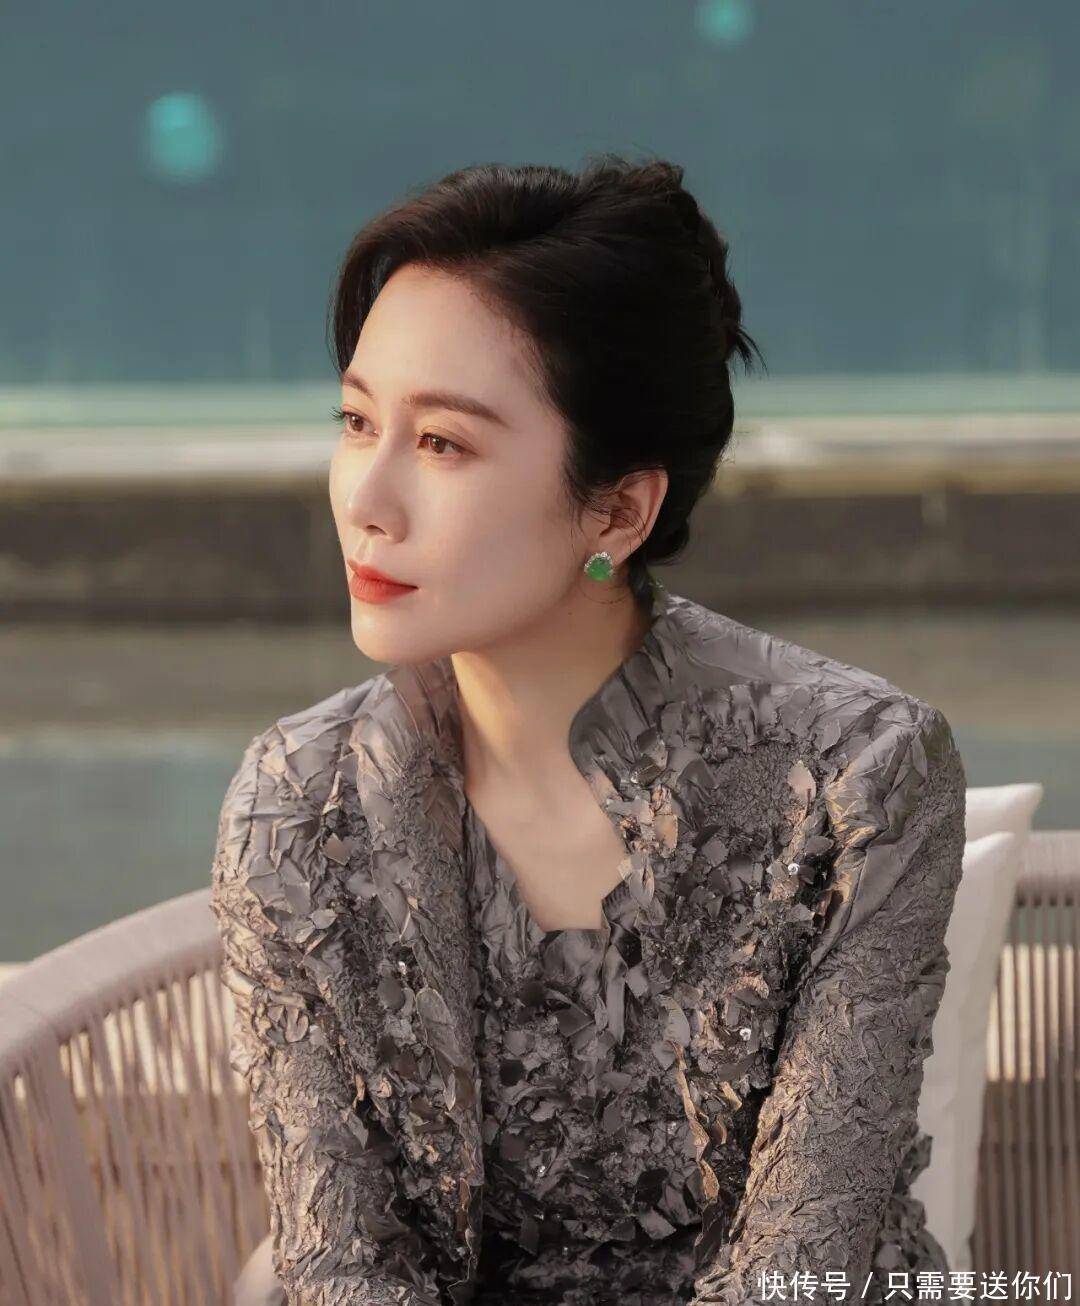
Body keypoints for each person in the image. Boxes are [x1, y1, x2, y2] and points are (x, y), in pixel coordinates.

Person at [210, 155, 967, 1306]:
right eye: (357, 422)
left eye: (442, 443)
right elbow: (343, 1262)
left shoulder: (858, 773)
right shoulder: (298, 802)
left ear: (617, 509)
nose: (365, 498)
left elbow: (804, 1265)